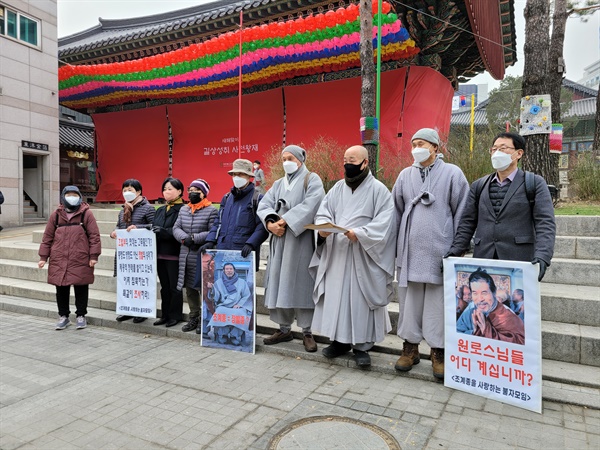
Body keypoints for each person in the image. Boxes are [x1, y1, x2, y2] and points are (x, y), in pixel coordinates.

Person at [309, 145, 396, 368]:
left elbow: (386, 223)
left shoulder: (378, 190)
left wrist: (360, 234)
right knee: (337, 297)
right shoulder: (337, 188)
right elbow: (323, 211)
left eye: (353, 159)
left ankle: (362, 346)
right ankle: (338, 341)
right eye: (345, 159)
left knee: (359, 301)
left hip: (363, 255)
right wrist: (323, 228)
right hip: (337, 253)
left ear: (365, 163)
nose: (348, 163)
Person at [393, 128, 469, 379]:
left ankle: (438, 351)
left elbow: (463, 212)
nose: (416, 147)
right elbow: (396, 211)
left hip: (440, 249)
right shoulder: (405, 175)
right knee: (409, 303)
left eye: (422, 143)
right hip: (410, 252)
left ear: (435, 147)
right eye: (413, 143)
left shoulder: (453, 173)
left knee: (438, 305)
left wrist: (457, 247)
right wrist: (395, 246)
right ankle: (410, 348)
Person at [446, 132, 556, 282]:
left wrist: (543, 255)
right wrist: (455, 251)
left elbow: (545, 222)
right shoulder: (479, 185)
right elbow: (467, 222)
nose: (497, 153)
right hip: (484, 257)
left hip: (518, 258)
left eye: (503, 148)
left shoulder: (534, 183)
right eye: (494, 149)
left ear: (518, 153)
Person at [257, 145, 325, 352]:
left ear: (300, 160)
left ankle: (307, 331)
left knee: (303, 282)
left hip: (300, 239)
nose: (286, 161)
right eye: (284, 158)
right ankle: (283, 328)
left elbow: (312, 204)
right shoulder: (278, 183)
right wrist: (270, 223)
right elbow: (264, 205)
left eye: (290, 158)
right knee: (279, 283)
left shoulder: (311, 179)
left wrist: (285, 221)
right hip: (279, 239)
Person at [38, 186, 101, 330]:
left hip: (80, 257)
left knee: (81, 287)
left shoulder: (86, 214)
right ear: (63, 197)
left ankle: (81, 315)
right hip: (59, 257)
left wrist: (94, 256)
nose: (72, 197)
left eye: (75, 195)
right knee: (61, 288)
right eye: (68, 195)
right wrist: (43, 257)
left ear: (80, 197)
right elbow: (47, 237)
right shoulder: (56, 215)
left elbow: (94, 236)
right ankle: (64, 316)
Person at [200, 159, 269, 269]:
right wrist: (210, 240)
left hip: (244, 254)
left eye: (241, 174)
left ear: (248, 176)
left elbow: (262, 226)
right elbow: (218, 222)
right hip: (223, 251)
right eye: (234, 174)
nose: (237, 177)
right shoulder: (227, 198)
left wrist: (251, 243)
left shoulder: (257, 198)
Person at [173, 179, 218, 333]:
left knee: (204, 288)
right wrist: (184, 238)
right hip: (185, 255)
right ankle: (194, 316)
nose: (192, 193)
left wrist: (195, 238)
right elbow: (176, 227)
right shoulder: (184, 210)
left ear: (203, 193)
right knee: (190, 289)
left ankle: (205, 319)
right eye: (190, 189)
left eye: (196, 190)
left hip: (201, 255)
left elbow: (213, 231)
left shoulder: (211, 210)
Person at [110, 179, 155, 323]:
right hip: (126, 254)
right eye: (124, 190)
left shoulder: (148, 208)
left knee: (140, 283)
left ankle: (141, 311)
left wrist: (138, 228)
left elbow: (153, 227)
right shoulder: (123, 209)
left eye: (130, 190)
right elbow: (119, 226)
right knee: (126, 282)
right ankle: (127, 309)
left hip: (140, 254)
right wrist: (114, 233)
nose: (127, 193)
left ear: (139, 191)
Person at [150, 177, 185, 328]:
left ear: (179, 191)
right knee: (164, 286)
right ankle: (165, 315)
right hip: (159, 254)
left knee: (174, 287)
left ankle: (175, 315)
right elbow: (153, 227)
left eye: (170, 189)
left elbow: (183, 230)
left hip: (174, 254)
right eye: (164, 189)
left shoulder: (184, 209)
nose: (166, 192)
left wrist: (165, 232)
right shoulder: (160, 210)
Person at [456, 269, 525, 344]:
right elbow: (456, 335)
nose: (480, 299)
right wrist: (474, 332)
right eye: (475, 293)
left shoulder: (508, 317)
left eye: (484, 293)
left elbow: (521, 344)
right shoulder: (469, 313)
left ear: (494, 292)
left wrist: (486, 330)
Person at [206, 263, 252, 345]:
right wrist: (211, 288)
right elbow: (216, 297)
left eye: (231, 269)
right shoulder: (219, 282)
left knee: (240, 313)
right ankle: (223, 335)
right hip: (223, 305)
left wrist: (240, 304)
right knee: (220, 311)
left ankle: (234, 336)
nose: (229, 271)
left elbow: (246, 295)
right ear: (224, 270)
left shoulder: (242, 282)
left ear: (234, 270)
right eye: (227, 269)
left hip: (237, 306)